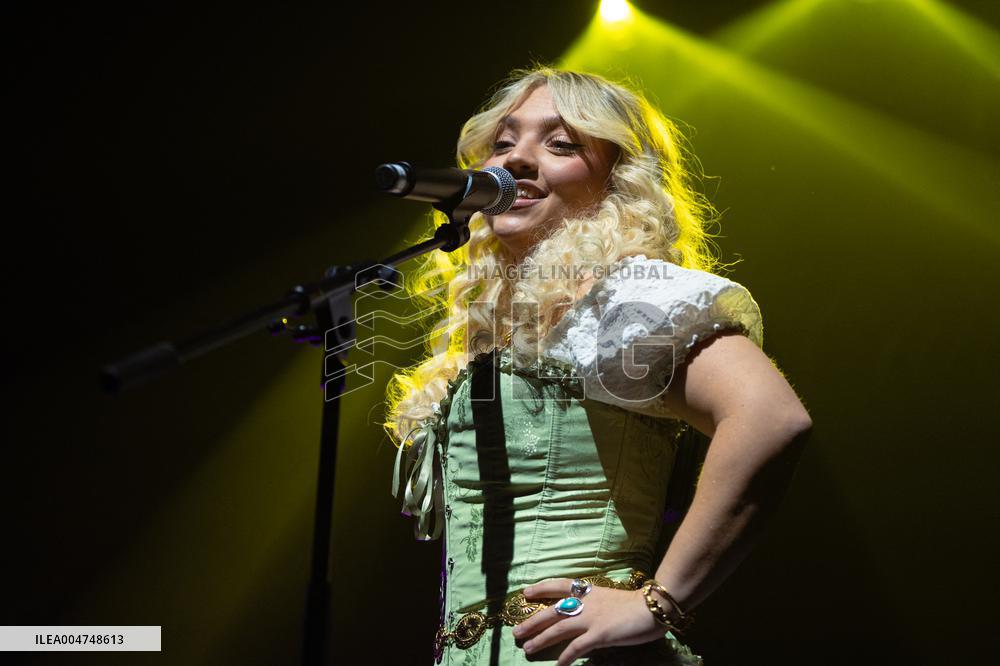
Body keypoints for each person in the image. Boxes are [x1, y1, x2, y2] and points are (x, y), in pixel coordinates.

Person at [384, 65, 813, 666]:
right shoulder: (507, 323)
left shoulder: (621, 296)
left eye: (560, 144)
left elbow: (769, 418)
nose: (517, 160)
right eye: (504, 143)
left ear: (619, 180)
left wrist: (655, 603)